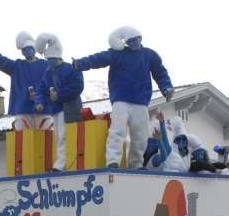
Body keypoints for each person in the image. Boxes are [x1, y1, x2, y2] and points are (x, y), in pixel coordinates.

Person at [73, 26, 174, 169]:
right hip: (121, 99)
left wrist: (166, 88)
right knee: (118, 130)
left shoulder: (149, 55)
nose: (133, 43)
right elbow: (98, 59)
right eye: (130, 41)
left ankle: (136, 164)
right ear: (125, 42)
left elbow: (161, 73)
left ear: (141, 38)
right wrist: (80, 64)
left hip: (140, 101)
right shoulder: (118, 54)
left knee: (141, 135)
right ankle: (112, 161)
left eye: (136, 39)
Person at [35, 33, 84, 170]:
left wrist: (59, 95)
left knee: (64, 136)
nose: (50, 62)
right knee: (59, 137)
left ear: (58, 57)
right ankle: (62, 163)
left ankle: (62, 164)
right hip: (56, 110)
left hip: (69, 109)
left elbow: (77, 87)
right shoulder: (48, 72)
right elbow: (41, 88)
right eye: (48, 60)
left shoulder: (70, 69)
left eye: (52, 60)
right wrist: (39, 102)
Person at [0, 28, 50, 130]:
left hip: (43, 109)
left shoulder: (46, 65)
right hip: (23, 111)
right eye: (24, 49)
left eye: (29, 48)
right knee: (24, 138)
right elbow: (0, 60)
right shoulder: (17, 66)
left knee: (48, 137)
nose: (27, 51)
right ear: (22, 52)